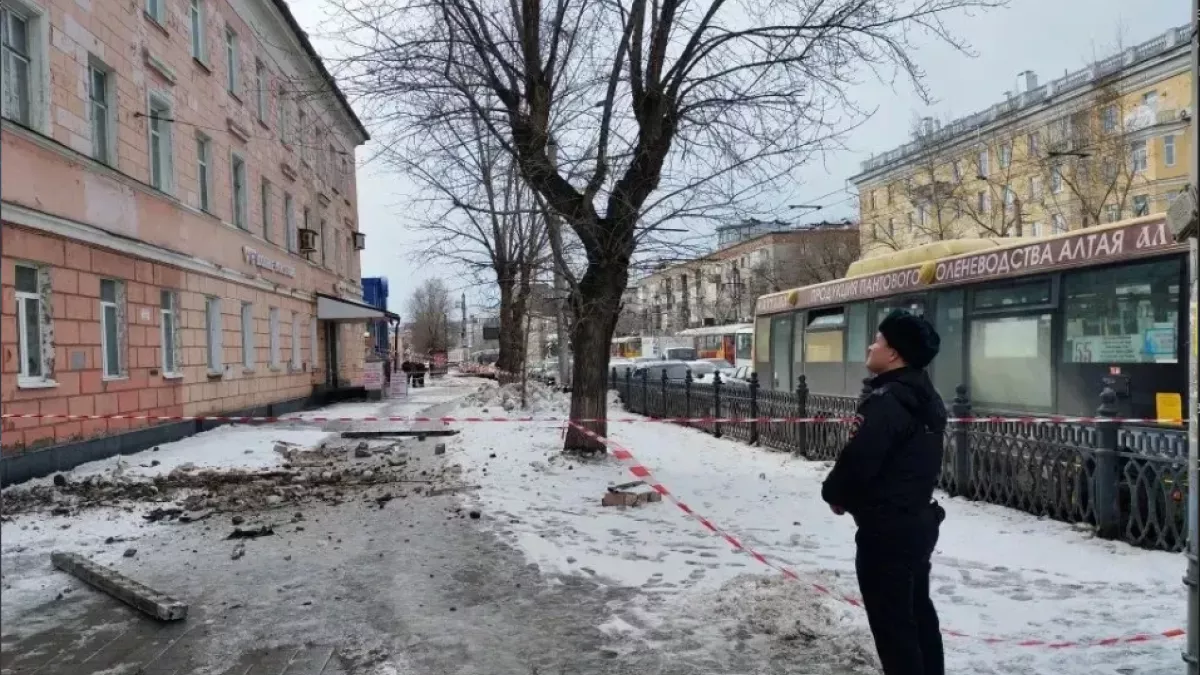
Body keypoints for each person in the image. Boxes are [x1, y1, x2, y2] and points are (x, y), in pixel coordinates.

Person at [821, 309, 947, 675]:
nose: (870, 346)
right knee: (918, 614)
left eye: (878, 340)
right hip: (918, 521)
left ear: (893, 353)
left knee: (894, 627)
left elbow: (859, 459)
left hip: (886, 530)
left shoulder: (887, 401)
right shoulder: (925, 396)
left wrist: (835, 493)